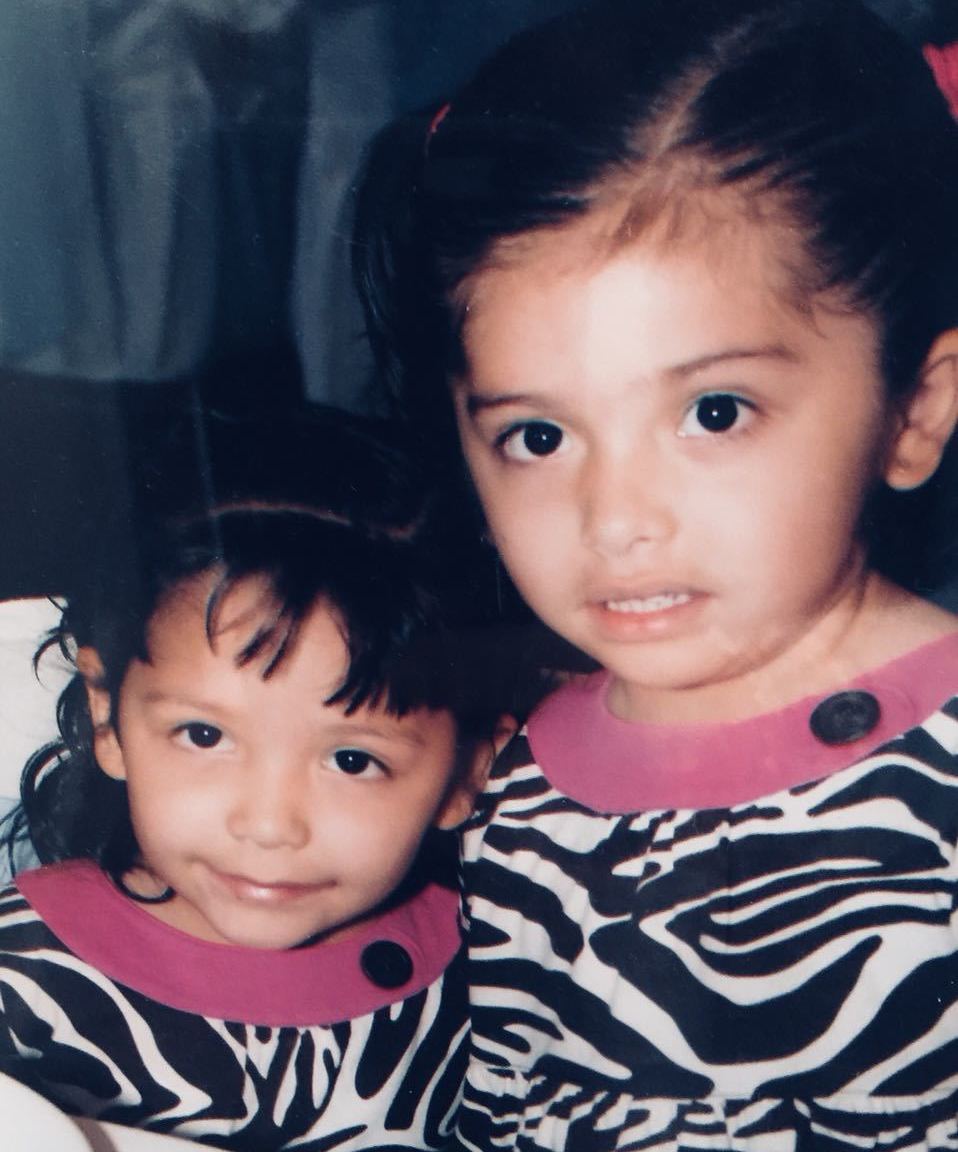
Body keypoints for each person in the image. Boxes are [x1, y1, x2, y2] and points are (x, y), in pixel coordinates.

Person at [354, 0, 958, 1146]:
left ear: (913, 410)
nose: (615, 519)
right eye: (538, 437)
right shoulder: (516, 786)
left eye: (713, 412)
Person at [0, 407, 515, 1150]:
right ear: (109, 720)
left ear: (467, 772)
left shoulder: (496, 970)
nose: (269, 825)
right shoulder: (23, 982)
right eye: (204, 736)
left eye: (352, 760)